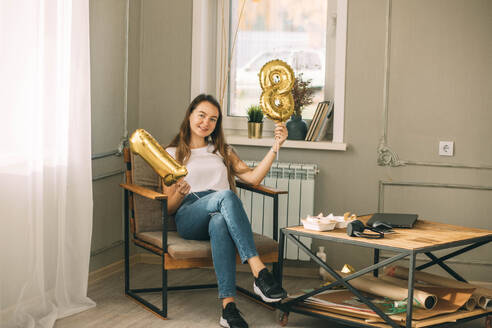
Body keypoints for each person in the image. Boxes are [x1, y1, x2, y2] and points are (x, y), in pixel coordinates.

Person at [164, 94, 288, 328]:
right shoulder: (171, 154)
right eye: (201, 115)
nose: (206, 123)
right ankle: (259, 272)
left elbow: (252, 178)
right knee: (226, 195)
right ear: (190, 115)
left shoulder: (222, 150)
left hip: (218, 215)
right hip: (190, 214)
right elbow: (168, 208)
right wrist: (179, 193)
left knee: (221, 221)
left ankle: (228, 308)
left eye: (213, 119)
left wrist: (275, 147)